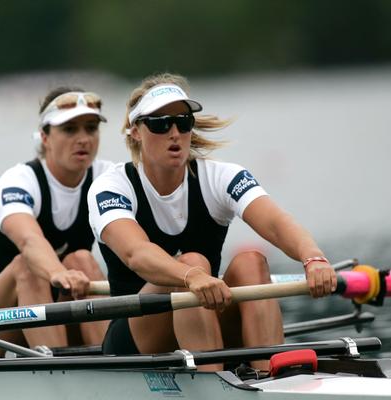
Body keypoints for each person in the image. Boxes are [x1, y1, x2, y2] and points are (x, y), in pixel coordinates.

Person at [87, 73, 337, 372]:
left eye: (183, 121)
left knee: (251, 262)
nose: (174, 132)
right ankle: (214, 381)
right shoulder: (112, 187)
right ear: (135, 132)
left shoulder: (221, 177)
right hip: (134, 341)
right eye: (160, 123)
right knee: (192, 262)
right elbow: (136, 254)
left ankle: (272, 377)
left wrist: (313, 258)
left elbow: (275, 222)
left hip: (203, 320)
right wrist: (190, 275)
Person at [0, 87, 112, 357]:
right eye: (70, 129)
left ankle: (114, 364)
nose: (83, 139)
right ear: (45, 137)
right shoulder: (19, 181)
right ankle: (60, 374)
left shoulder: (108, 177)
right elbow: (29, 240)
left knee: (82, 259)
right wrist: (56, 274)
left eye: (91, 127)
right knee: (28, 264)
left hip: (60, 313)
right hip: (0, 331)